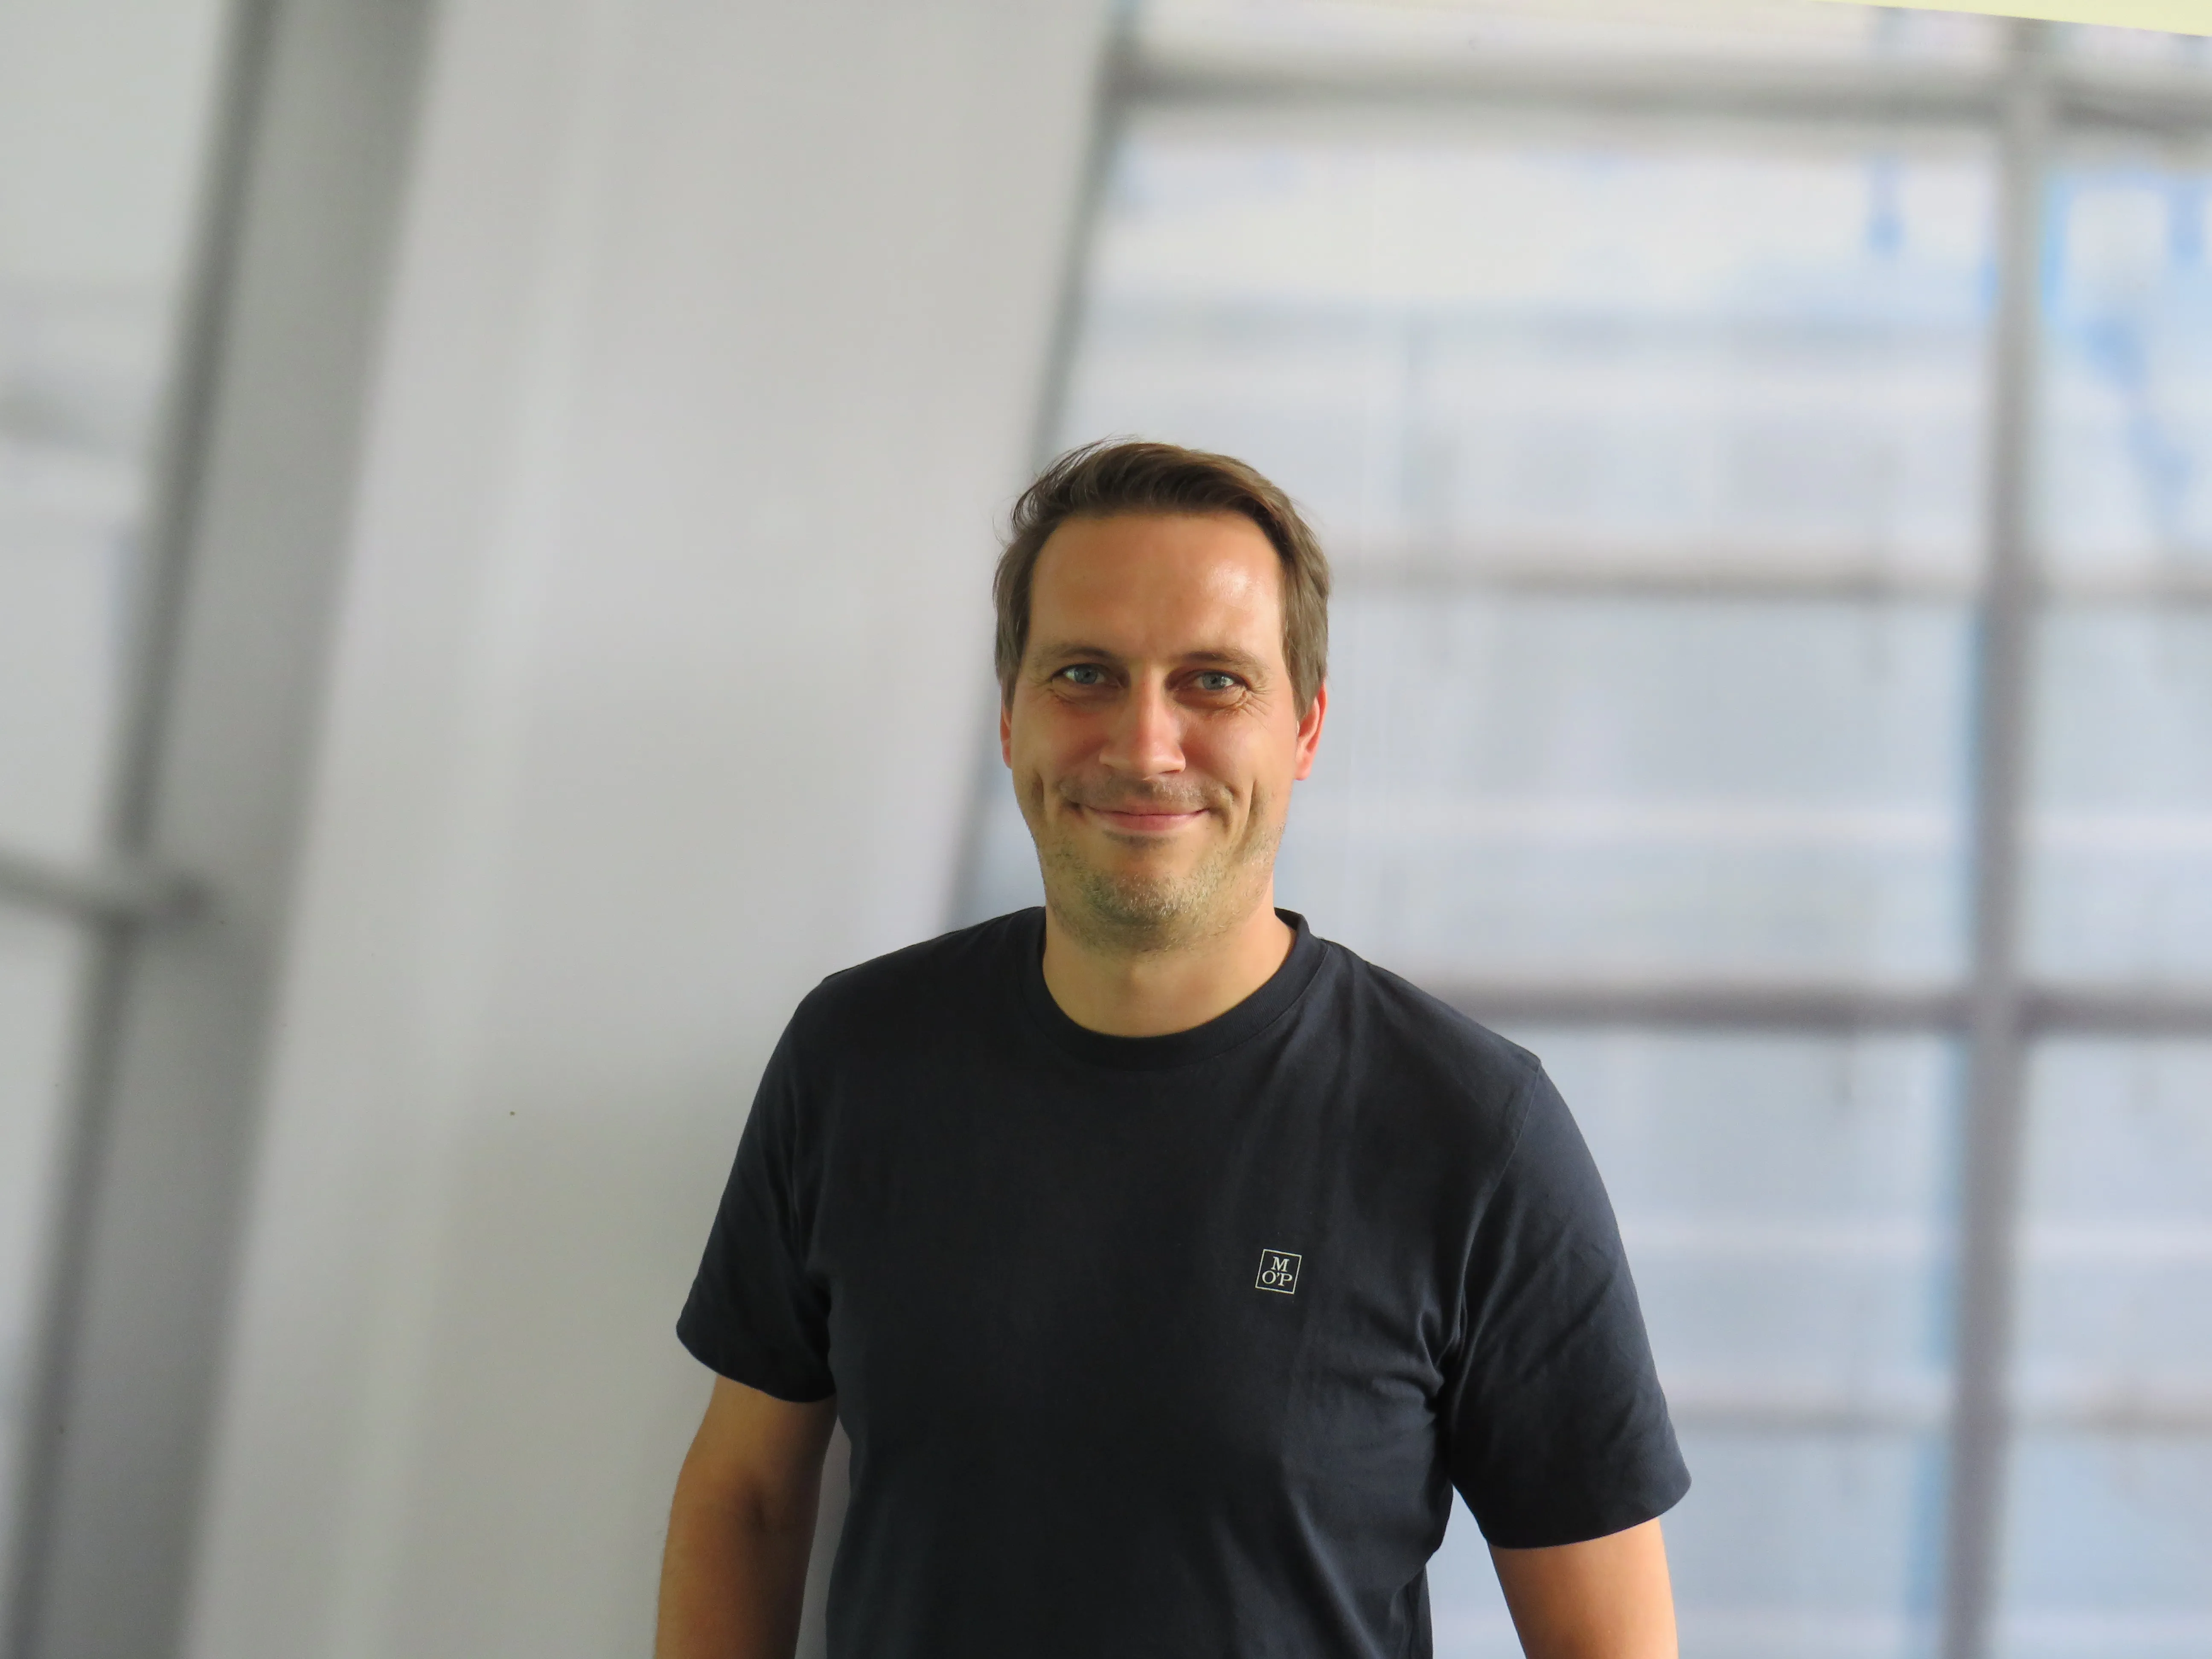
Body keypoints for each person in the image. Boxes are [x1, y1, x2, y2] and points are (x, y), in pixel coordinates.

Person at [656, 441, 1689, 1659]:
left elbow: (1609, 1643)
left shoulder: (1472, 1131)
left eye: (1213, 682)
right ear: (1010, 718)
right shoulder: (855, 1060)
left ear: (1305, 729)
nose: (1146, 747)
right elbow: (748, 1497)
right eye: (1085, 674)